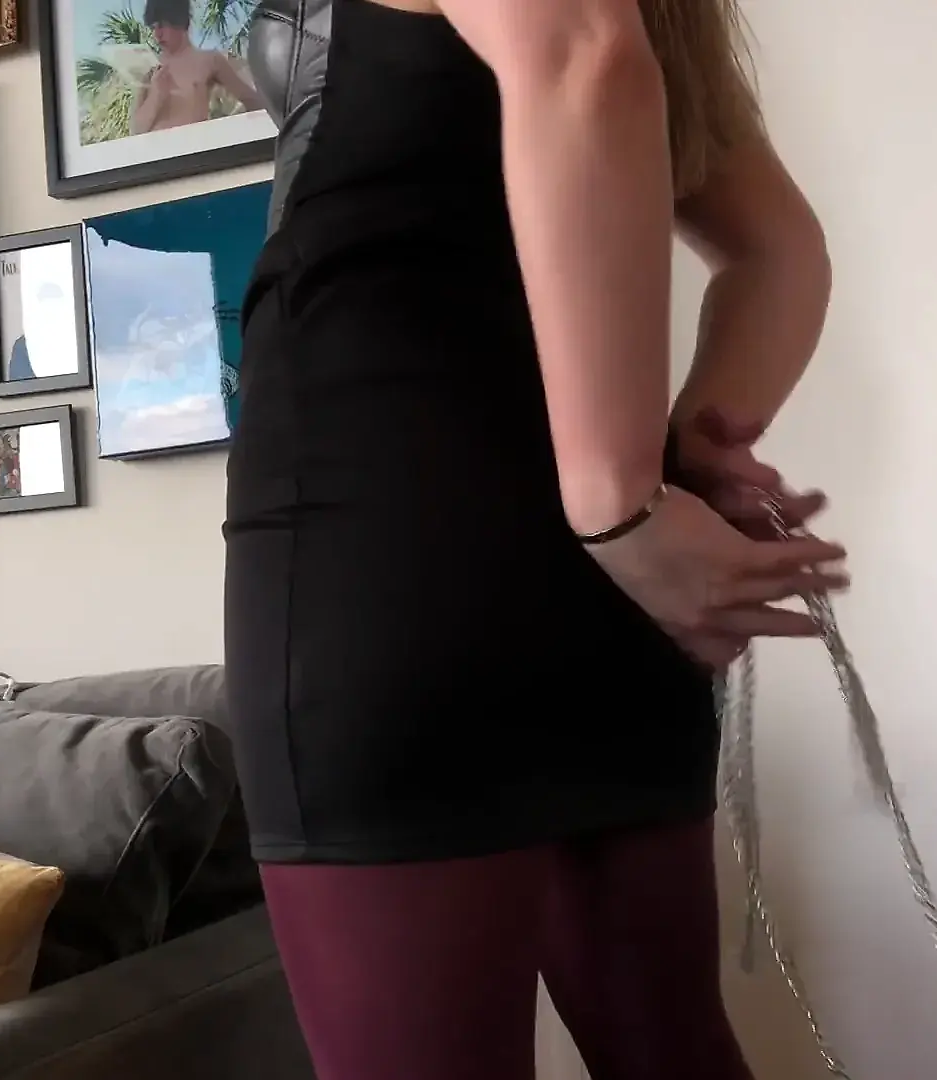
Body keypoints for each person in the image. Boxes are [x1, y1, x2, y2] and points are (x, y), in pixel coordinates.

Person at [224, 1, 837, 1078]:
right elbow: (776, 249)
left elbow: (584, 52)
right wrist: (673, 475)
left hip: (386, 545)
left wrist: (626, 506)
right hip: (587, 572)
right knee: (673, 1051)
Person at [129, 0, 266, 135]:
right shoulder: (150, 69)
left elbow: (253, 101)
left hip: (193, 146)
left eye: (162, 25)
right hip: (156, 148)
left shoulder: (209, 60)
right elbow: (136, 130)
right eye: (153, 27)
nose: (157, 34)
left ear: (180, 21)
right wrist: (156, 96)